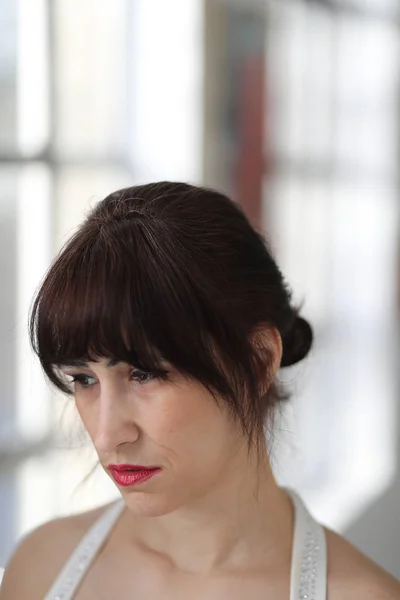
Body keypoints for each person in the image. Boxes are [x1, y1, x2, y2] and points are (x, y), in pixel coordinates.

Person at [1, 182, 399, 600]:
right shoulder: (41, 567)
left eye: (143, 374)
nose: (106, 435)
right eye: (84, 379)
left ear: (260, 360)